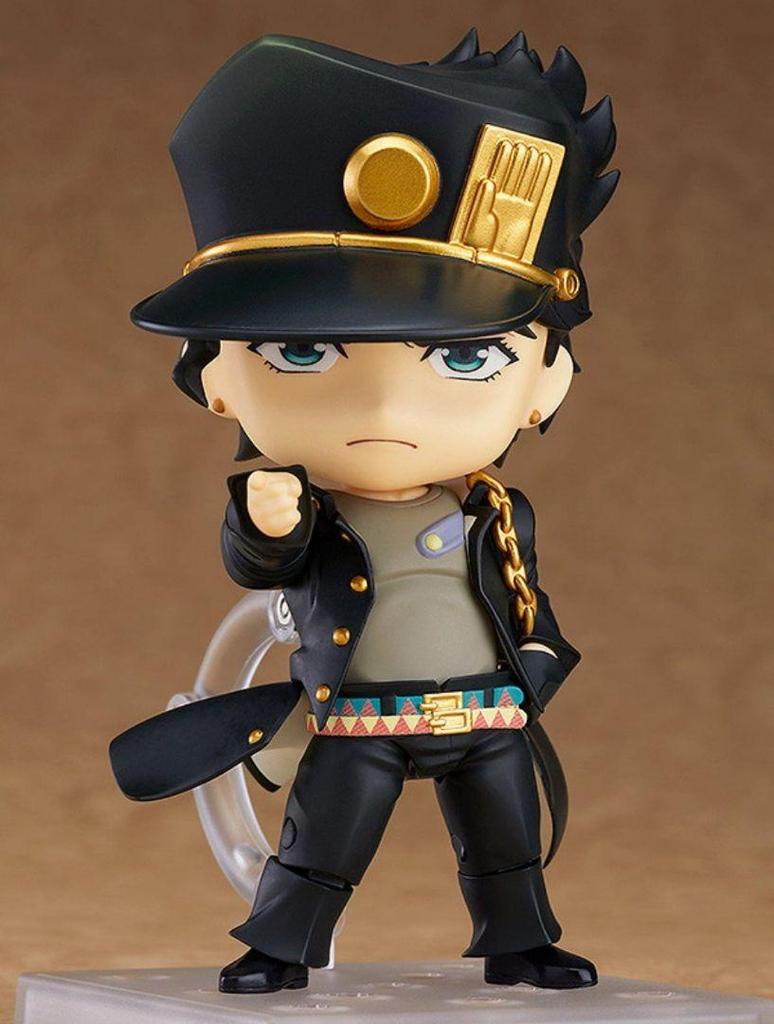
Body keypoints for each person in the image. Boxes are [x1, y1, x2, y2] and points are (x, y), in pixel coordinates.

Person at [111, 26, 619, 994]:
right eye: (302, 353)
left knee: (508, 844)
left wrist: (537, 673)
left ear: (547, 383)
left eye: (465, 357)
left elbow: (525, 601)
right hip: (355, 719)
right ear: (213, 376)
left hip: (486, 712)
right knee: (321, 845)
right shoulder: (301, 505)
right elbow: (267, 564)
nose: (385, 411)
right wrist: (269, 523)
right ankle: (278, 945)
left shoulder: (495, 510)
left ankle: (519, 940)